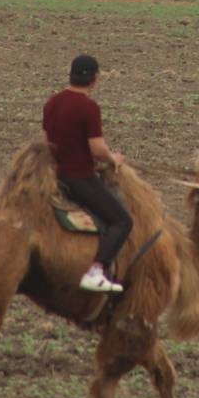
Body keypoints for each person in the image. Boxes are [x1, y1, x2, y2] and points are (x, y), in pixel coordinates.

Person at [42, 54, 133, 294]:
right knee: (122, 220)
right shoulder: (88, 107)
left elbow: (49, 142)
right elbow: (97, 149)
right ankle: (97, 270)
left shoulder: (52, 102)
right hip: (79, 178)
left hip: (54, 175)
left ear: (70, 74)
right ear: (95, 79)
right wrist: (114, 159)